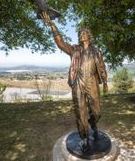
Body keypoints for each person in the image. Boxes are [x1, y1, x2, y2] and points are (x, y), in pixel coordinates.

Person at [41, 12, 108, 152]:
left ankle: (93, 124)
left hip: (93, 83)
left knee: (97, 112)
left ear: (89, 35)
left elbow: (102, 68)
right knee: (80, 111)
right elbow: (60, 43)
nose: (80, 34)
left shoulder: (97, 52)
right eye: (79, 33)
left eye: (83, 32)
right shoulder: (74, 50)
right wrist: (53, 25)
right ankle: (84, 137)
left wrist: (105, 83)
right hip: (78, 83)